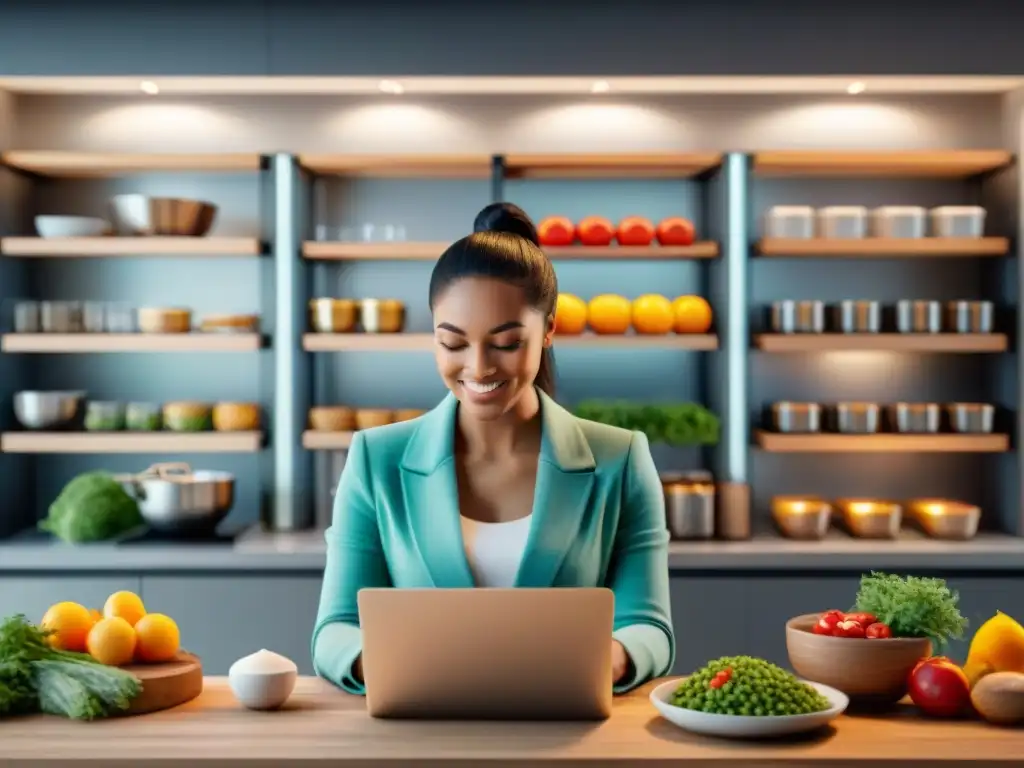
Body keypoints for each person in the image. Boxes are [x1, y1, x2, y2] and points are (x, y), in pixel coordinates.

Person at [311, 202, 674, 695]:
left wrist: (605, 658)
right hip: (421, 729)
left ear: (548, 329)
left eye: (504, 343)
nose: (478, 367)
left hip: (564, 728)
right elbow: (334, 627)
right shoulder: (377, 459)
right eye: (453, 343)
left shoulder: (620, 459)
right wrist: (378, 662)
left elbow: (649, 626)